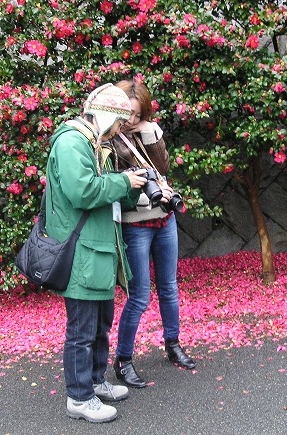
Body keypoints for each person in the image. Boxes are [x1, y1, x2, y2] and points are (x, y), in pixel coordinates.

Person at [45, 83, 148, 423]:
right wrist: (123, 183)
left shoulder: (94, 142)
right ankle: (79, 397)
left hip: (100, 250)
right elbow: (83, 191)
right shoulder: (72, 142)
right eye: (118, 122)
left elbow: (105, 192)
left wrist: (129, 186)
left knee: (100, 324)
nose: (120, 130)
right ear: (105, 117)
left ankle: (95, 381)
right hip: (82, 253)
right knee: (82, 330)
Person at [111, 79, 196, 389]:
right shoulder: (109, 138)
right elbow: (119, 184)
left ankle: (173, 344)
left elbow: (162, 167)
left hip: (164, 218)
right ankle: (123, 359)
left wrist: (149, 130)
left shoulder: (146, 130)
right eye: (128, 113)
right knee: (139, 296)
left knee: (169, 287)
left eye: (138, 114)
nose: (131, 120)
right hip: (135, 224)